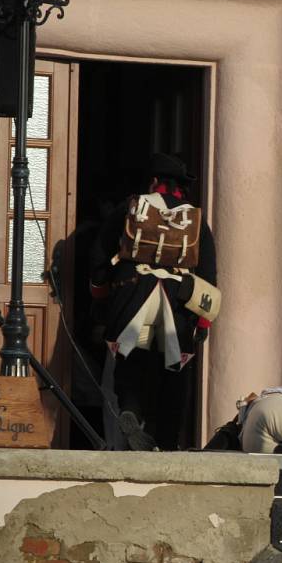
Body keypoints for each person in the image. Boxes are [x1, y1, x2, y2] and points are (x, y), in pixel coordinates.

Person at [90, 153, 218, 451]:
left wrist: (101, 296)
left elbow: (98, 256)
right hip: (178, 303)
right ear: (179, 189)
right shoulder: (195, 220)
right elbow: (209, 272)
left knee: (131, 364)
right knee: (175, 371)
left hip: (132, 296)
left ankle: (131, 411)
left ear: (153, 182)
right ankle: (168, 440)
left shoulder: (131, 208)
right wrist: (203, 320)